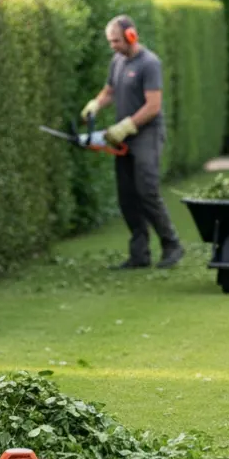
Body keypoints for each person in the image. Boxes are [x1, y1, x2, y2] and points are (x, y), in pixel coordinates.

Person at [81, 15, 184, 269]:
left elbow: (153, 106)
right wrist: (95, 104)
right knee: (127, 195)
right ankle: (140, 254)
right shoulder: (117, 61)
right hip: (122, 136)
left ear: (131, 36)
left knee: (146, 191)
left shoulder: (150, 63)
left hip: (146, 136)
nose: (112, 46)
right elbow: (109, 91)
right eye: (110, 41)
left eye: (116, 40)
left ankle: (172, 245)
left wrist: (126, 126)